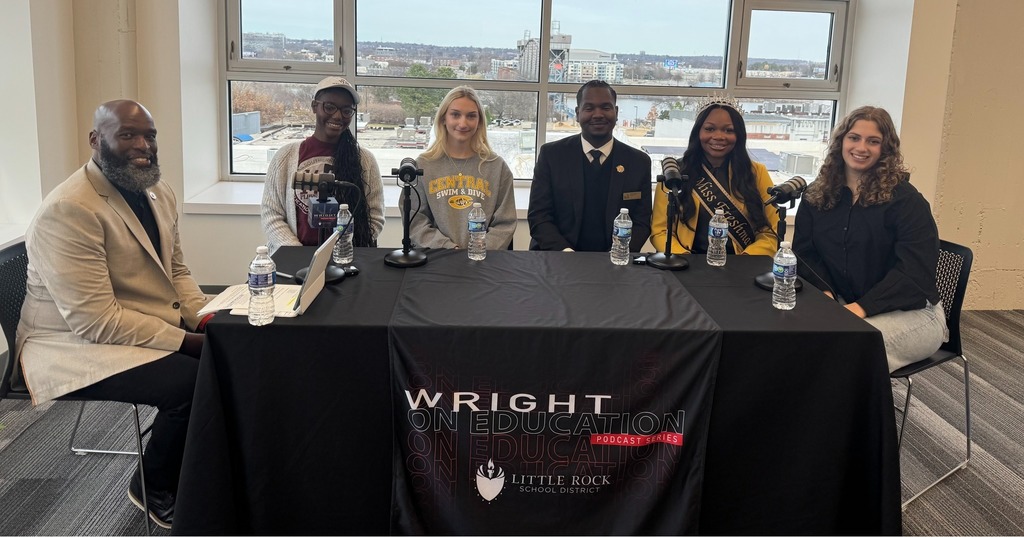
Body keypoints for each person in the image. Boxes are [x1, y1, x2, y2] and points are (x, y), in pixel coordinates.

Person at [14, 100, 209, 529]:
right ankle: (151, 486)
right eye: (127, 135)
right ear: (95, 140)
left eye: (150, 136)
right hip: (69, 343)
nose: (143, 146)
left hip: (129, 320)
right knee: (194, 383)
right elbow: (94, 321)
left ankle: (199, 466)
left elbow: (176, 272)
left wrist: (207, 321)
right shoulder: (69, 210)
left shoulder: (157, 190)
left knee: (232, 353)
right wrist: (190, 341)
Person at [793, 106, 946, 372]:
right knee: (785, 335)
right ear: (841, 141)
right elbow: (806, 254)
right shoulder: (817, 195)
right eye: (854, 138)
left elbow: (914, 273)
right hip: (844, 304)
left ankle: (852, 414)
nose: (861, 147)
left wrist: (861, 308)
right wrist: (826, 294)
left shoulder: (907, 202)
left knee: (840, 349)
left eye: (873, 141)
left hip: (912, 315)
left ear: (885, 149)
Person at [262, 76, 385, 253]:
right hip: (294, 259)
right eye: (329, 107)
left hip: (346, 256)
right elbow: (271, 214)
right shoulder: (285, 157)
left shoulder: (364, 160)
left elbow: (375, 215)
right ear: (314, 106)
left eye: (346, 111)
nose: (337, 116)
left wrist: (346, 247)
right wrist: (297, 253)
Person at [528, 80, 652, 252]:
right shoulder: (552, 155)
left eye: (606, 107)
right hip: (557, 258)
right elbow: (539, 216)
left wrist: (619, 253)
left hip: (615, 262)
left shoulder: (639, 162)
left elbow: (642, 221)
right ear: (578, 113)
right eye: (589, 108)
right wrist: (566, 253)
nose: (598, 114)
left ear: (616, 112)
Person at [650, 95, 779, 256]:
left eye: (728, 130)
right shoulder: (675, 172)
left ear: (739, 135)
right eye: (710, 129)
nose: (719, 136)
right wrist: (684, 259)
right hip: (686, 264)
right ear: (698, 132)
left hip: (742, 266)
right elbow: (660, 231)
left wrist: (746, 260)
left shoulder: (756, 172)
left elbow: (770, 233)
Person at [406, 86, 516, 249]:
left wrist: (478, 249)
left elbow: (505, 224)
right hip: (435, 261)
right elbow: (415, 221)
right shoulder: (422, 165)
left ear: (479, 121)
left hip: (483, 262)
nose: (463, 123)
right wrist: (448, 248)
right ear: (444, 118)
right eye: (455, 115)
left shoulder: (497, 167)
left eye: (471, 116)